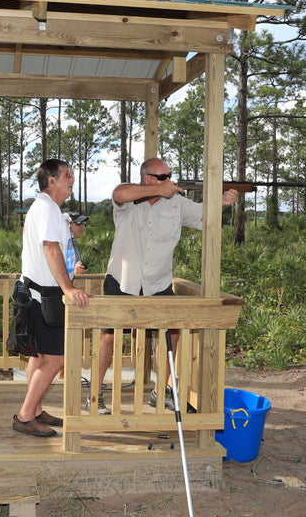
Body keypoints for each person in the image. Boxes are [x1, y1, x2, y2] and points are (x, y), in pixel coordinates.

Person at [93, 158, 239, 412]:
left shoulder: (177, 203)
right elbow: (119, 193)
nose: (168, 180)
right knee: (109, 338)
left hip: (157, 281)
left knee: (172, 334)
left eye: (169, 176)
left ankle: (161, 391)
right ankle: (95, 395)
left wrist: (223, 203)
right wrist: (160, 190)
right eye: (162, 177)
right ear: (147, 178)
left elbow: (206, 215)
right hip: (122, 279)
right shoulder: (130, 201)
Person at [13, 159, 90, 437]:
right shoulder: (46, 207)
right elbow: (50, 248)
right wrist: (69, 289)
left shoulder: (51, 209)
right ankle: (24, 416)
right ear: (52, 181)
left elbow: (58, 249)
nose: (72, 178)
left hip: (38, 294)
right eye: (67, 175)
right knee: (56, 359)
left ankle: (35, 411)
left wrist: (67, 286)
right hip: (43, 296)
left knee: (40, 355)